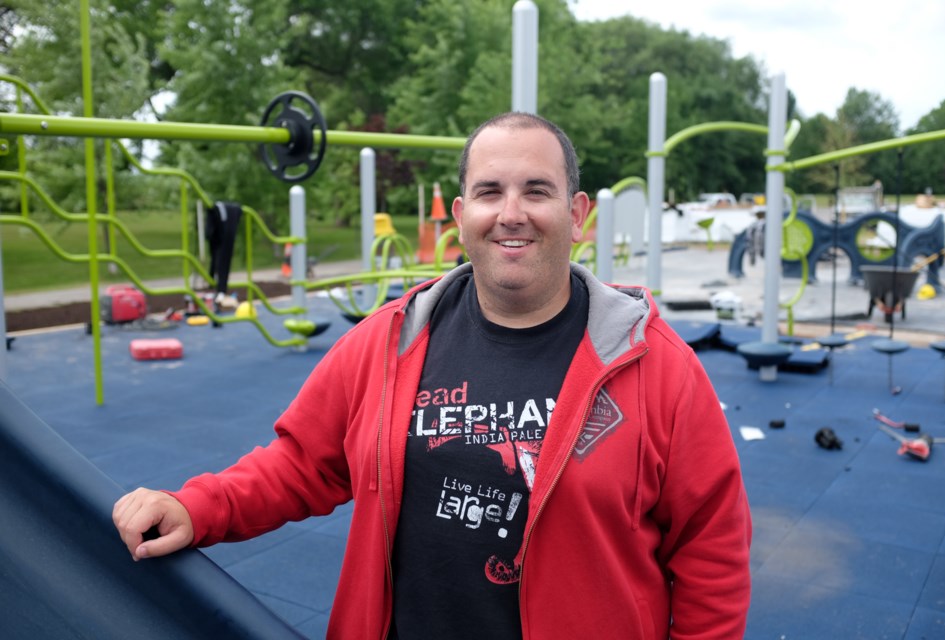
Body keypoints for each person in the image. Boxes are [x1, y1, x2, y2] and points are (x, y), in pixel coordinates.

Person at [114, 112, 751, 639]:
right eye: (489, 192)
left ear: (577, 213)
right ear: (460, 214)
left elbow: (711, 549)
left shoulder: (655, 365)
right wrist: (195, 506)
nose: (512, 213)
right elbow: (303, 462)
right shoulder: (390, 340)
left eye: (537, 190)